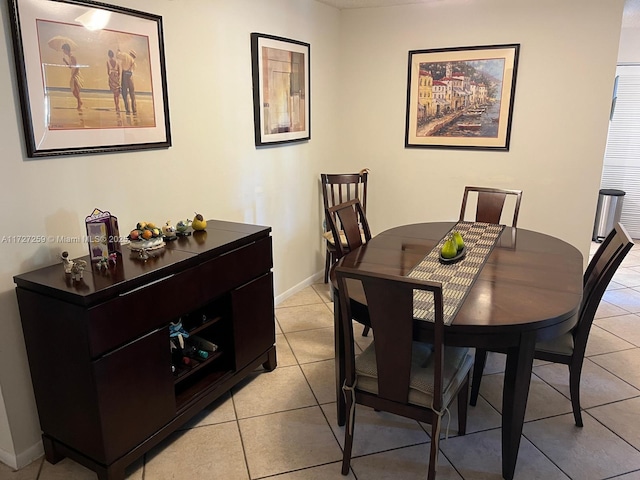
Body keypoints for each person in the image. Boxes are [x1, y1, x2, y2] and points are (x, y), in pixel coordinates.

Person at [61, 43, 83, 110]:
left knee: (75, 89)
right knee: (73, 89)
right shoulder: (70, 57)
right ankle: (80, 102)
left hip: (75, 74)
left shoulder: (72, 56)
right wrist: (65, 62)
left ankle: (79, 103)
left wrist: (74, 75)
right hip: (73, 73)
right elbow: (71, 67)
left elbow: (77, 67)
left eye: (63, 50)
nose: (63, 51)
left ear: (66, 49)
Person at [116, 49, 137, 115]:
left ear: (130, 53)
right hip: (130, 76)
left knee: (124, 93)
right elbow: (133, 70)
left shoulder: (125, 55)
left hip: (125, 75)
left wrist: (118, 51)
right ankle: (134, 110)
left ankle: (128, 110)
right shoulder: (133, 62)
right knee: (132, 94)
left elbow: (118, 56)